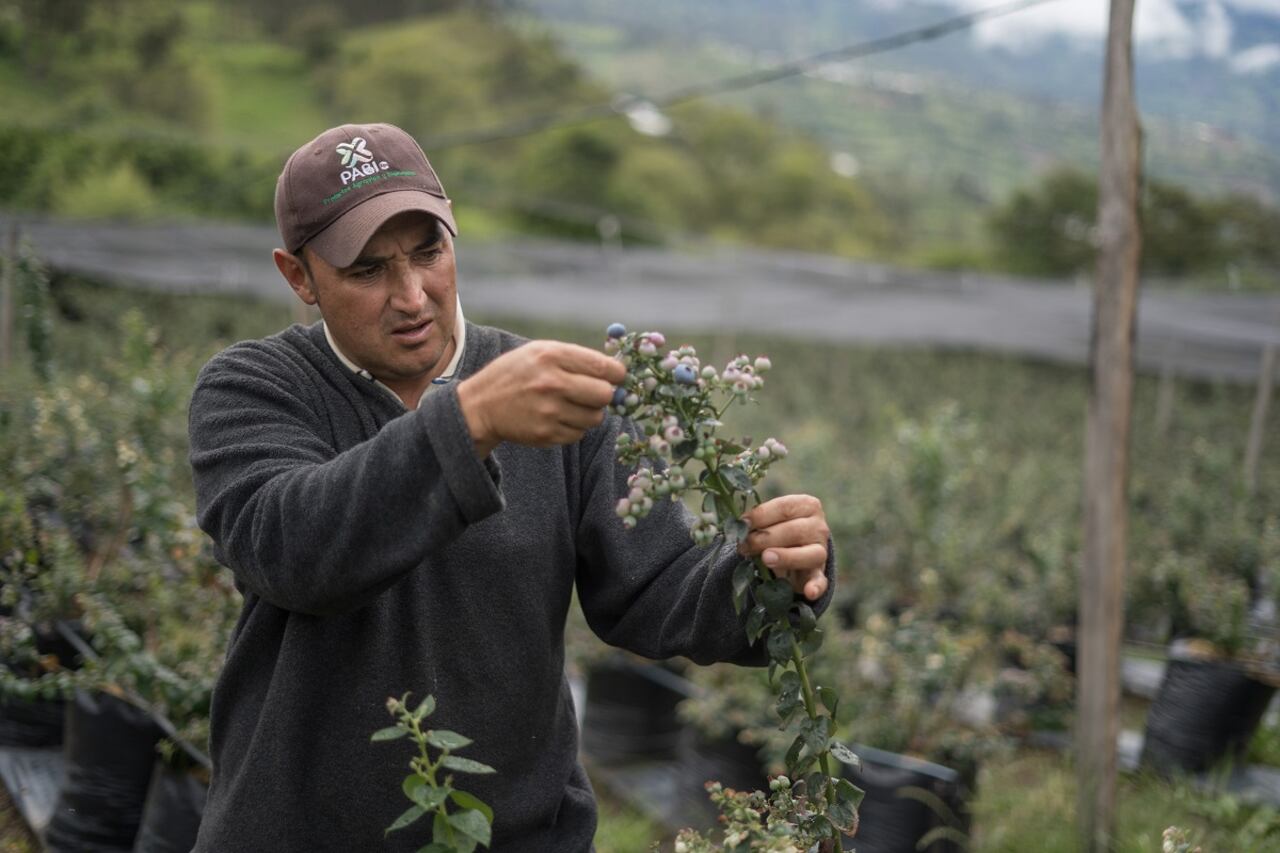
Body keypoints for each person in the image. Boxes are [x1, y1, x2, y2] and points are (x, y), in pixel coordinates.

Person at [187, 122, 835, 852]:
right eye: (367, 270)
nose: (411, 295)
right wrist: (469, 422)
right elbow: (293, 548)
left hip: (515, 835)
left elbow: (653, 587)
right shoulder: (254, 389)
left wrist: (765, 571)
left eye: (428, 252)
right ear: (298, 275)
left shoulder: (542, 391)